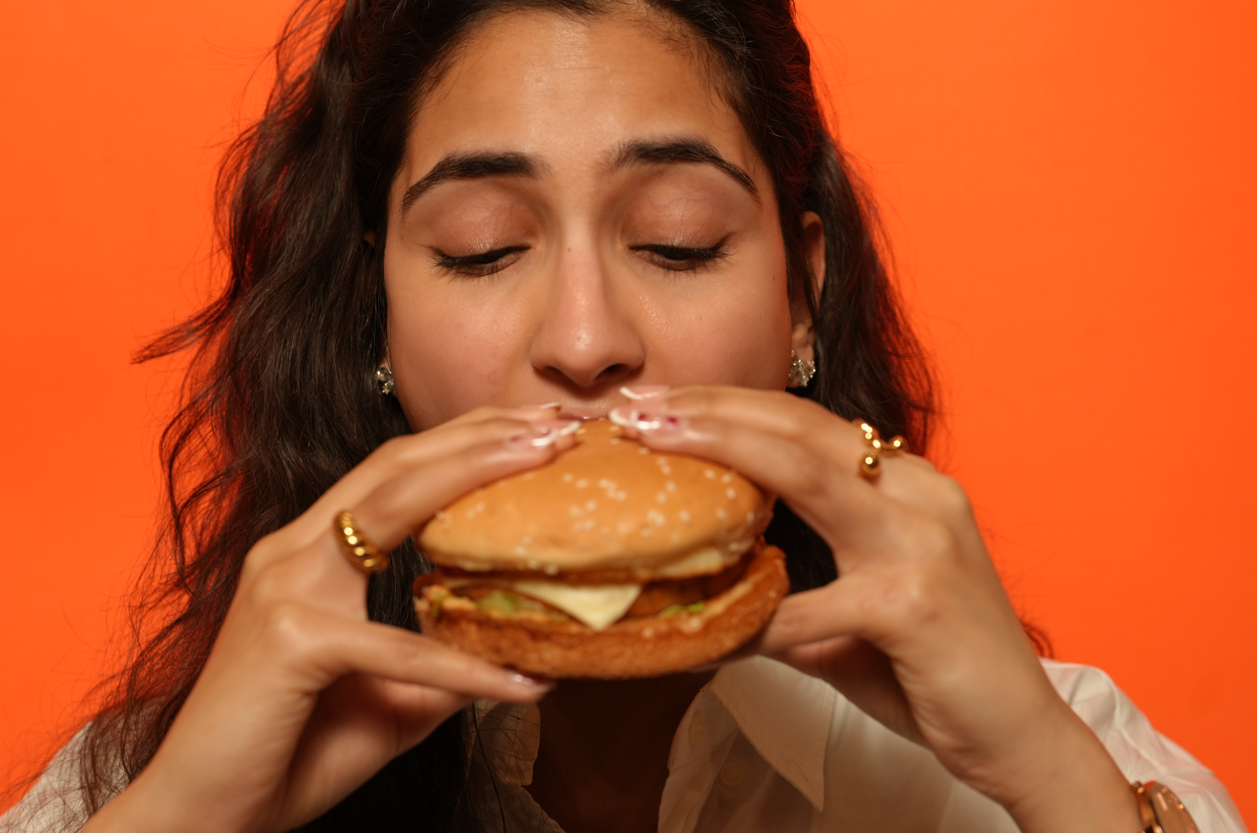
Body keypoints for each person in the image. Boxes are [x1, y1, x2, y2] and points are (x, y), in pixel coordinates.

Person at [1, 0, 1247, 831]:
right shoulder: (148, 781)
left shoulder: (1065, 752)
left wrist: (1043, 774)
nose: (587, 341)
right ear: (377, 316)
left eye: (677, 240)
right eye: (484, 251)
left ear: (803, 300)